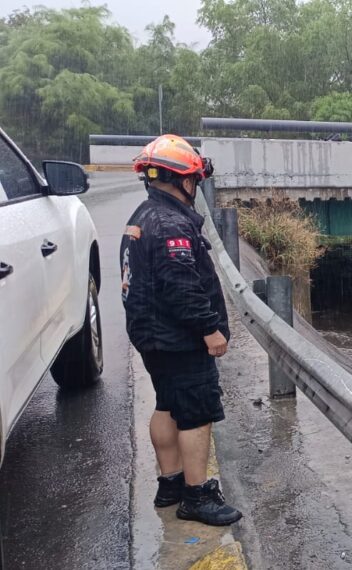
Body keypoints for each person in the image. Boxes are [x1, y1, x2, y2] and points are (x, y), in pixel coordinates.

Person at [120, 134, 242, 526]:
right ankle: (196, 496)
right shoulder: (171, 224)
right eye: (195, 180)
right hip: (179, 339)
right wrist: (210, 329)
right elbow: (181, 286)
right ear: (185, 181)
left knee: (167, 405)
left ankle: (170, 484)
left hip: (152, 337)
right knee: (196, 413)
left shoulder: (143, 216)